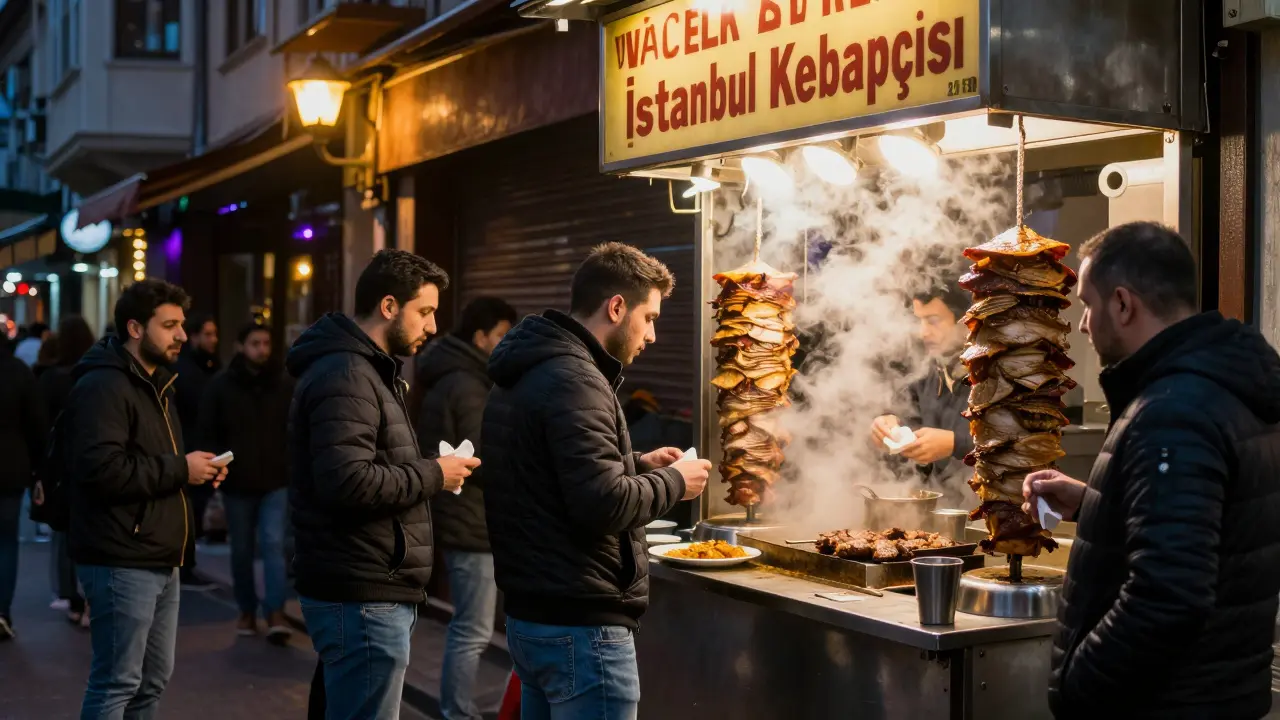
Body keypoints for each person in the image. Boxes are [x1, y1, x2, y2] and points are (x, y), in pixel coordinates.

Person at [1023, 222, 1280, 719]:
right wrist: (1096, 501)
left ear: (1123, 304)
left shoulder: (1172, 411)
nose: (1082, 325)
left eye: (1087, 305)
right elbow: (1222, 525)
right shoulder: (1221, 387)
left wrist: (1080, 684)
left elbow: (1169, 596)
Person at [483, 242, 711, 718]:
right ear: (616, 307)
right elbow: (602, 503)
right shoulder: (576, 379)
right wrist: (674, 481)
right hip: (580, 626)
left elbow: (547, 471)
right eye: (649, 318)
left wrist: (634, 463)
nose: (652, 335)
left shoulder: (533, 367)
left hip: (533, 616)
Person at [287, 249, 480, 720]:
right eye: (425, 312)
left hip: (362, 586)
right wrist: (436, 472)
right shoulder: (348, 374)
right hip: (361, 591)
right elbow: (347, 482)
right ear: (389, 306)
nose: (433, 327)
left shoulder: (362, 370)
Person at [66, 279, 228, 718]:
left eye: (182, 325)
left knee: (151, 681)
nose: (181, 335)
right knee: (117, 681)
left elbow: (152, 464)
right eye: (170, 325)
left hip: (159, 554)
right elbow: (101, 470)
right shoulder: (105, 386)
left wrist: (195, 470)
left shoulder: (160, 384)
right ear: (135, 328)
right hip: (121, 555)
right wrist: (181, 468)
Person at [416, 296, 518, 720]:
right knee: (473, 629)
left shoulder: (456, 376)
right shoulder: (468, 383)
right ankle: (457, 712)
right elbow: (482, 455)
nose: (507, 345)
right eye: (501, 337)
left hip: (467, 520)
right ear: (480, 337)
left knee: (473, 626)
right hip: (471, 524)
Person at [198, 323, 295, 642]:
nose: (262, 350)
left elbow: (294, 428)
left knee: (272, 544)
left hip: (275, 479)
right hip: (237, 481)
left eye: (267, 343)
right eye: (255, 343)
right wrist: (217, 466)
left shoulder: (283, 383)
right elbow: (209, 429)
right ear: (241, 346)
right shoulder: (221, 385)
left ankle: (275, 611)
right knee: (240, 548)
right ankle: (246, 610)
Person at [870, 283, 973, 506]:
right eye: (920, 320)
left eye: (933, 321)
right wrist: (891, 426)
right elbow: (909, 418)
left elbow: (1023, 445)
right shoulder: (929, 371)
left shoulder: (999, 372)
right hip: (943, 509)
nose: (923, 332)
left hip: (993, 515)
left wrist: (957, 444)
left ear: (967, 323)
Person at [35, 315, 97, 627]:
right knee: (90, 531)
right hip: (91, 461)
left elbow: (41, 427)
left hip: (60, 466)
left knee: (63, 533)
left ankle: (71, 596)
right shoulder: (96, 376)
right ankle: (89, 599)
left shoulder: (51, 379)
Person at [0, 331, 45, 640]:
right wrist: (38, 473)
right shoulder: (17, 372)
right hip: (9, 468)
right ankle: (2, 612)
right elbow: (36, 426)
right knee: (6, 543)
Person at [173, 315, 221, 590]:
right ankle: (184, 566)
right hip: (190, 448)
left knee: (196, 511)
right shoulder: (187, 370)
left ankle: (187, 564)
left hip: (202, 448)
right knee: (189, 511)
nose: (213, 340)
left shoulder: (210, 367)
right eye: (208, 334)